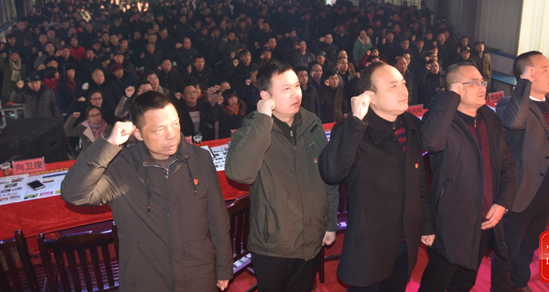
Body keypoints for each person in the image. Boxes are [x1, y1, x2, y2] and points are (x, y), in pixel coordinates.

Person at [61, 91, 233, 292]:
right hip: (146, 280)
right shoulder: (121, 167)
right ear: (138, 134)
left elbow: (218, 218)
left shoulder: (200, 159)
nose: (171, 135)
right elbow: (73, 193)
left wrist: (224, 266)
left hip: (198, 276)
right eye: (159, 129)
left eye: (175, 123)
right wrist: (107, 144)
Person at [319, 62, 434, 291]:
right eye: (393, 86)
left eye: (403, 83)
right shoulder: (354, 129)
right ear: (370, 97)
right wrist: (355, 121)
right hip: (370, 244)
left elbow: (419, 182)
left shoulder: (411, 125)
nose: (403, 90)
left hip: (405, 241)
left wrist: (427, 224)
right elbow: (331, 172)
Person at [225, 61, 338, 292]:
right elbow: (239, 173)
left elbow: (328, 178)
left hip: (311, 239)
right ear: (265, 96)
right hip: (273, 246)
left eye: (296, 85)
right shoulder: (252, 129)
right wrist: (263, 120)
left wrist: (329, 222)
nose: (296, 93)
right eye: (286, 89)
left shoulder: (312, 124)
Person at [418, 62, 516, 292]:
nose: (482, 87)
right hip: (451, 223)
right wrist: (451, 98)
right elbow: (430, 142)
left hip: (484, 220)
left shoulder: (490, 118)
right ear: (457, 89)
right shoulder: (441, 119)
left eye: (482, 81)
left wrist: (503, 202)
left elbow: (507, 166)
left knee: (465, 283)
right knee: (436, 283)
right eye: (474, 83)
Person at [492, 51, 549, 292]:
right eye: (546, 69)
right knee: (508, 248)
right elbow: (513, 122)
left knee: (529, 245)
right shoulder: (509, 103)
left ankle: (519, 283)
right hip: (521, 191)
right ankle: (499, 288)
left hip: (546, 191)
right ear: (529, 74)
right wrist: (523, 83)